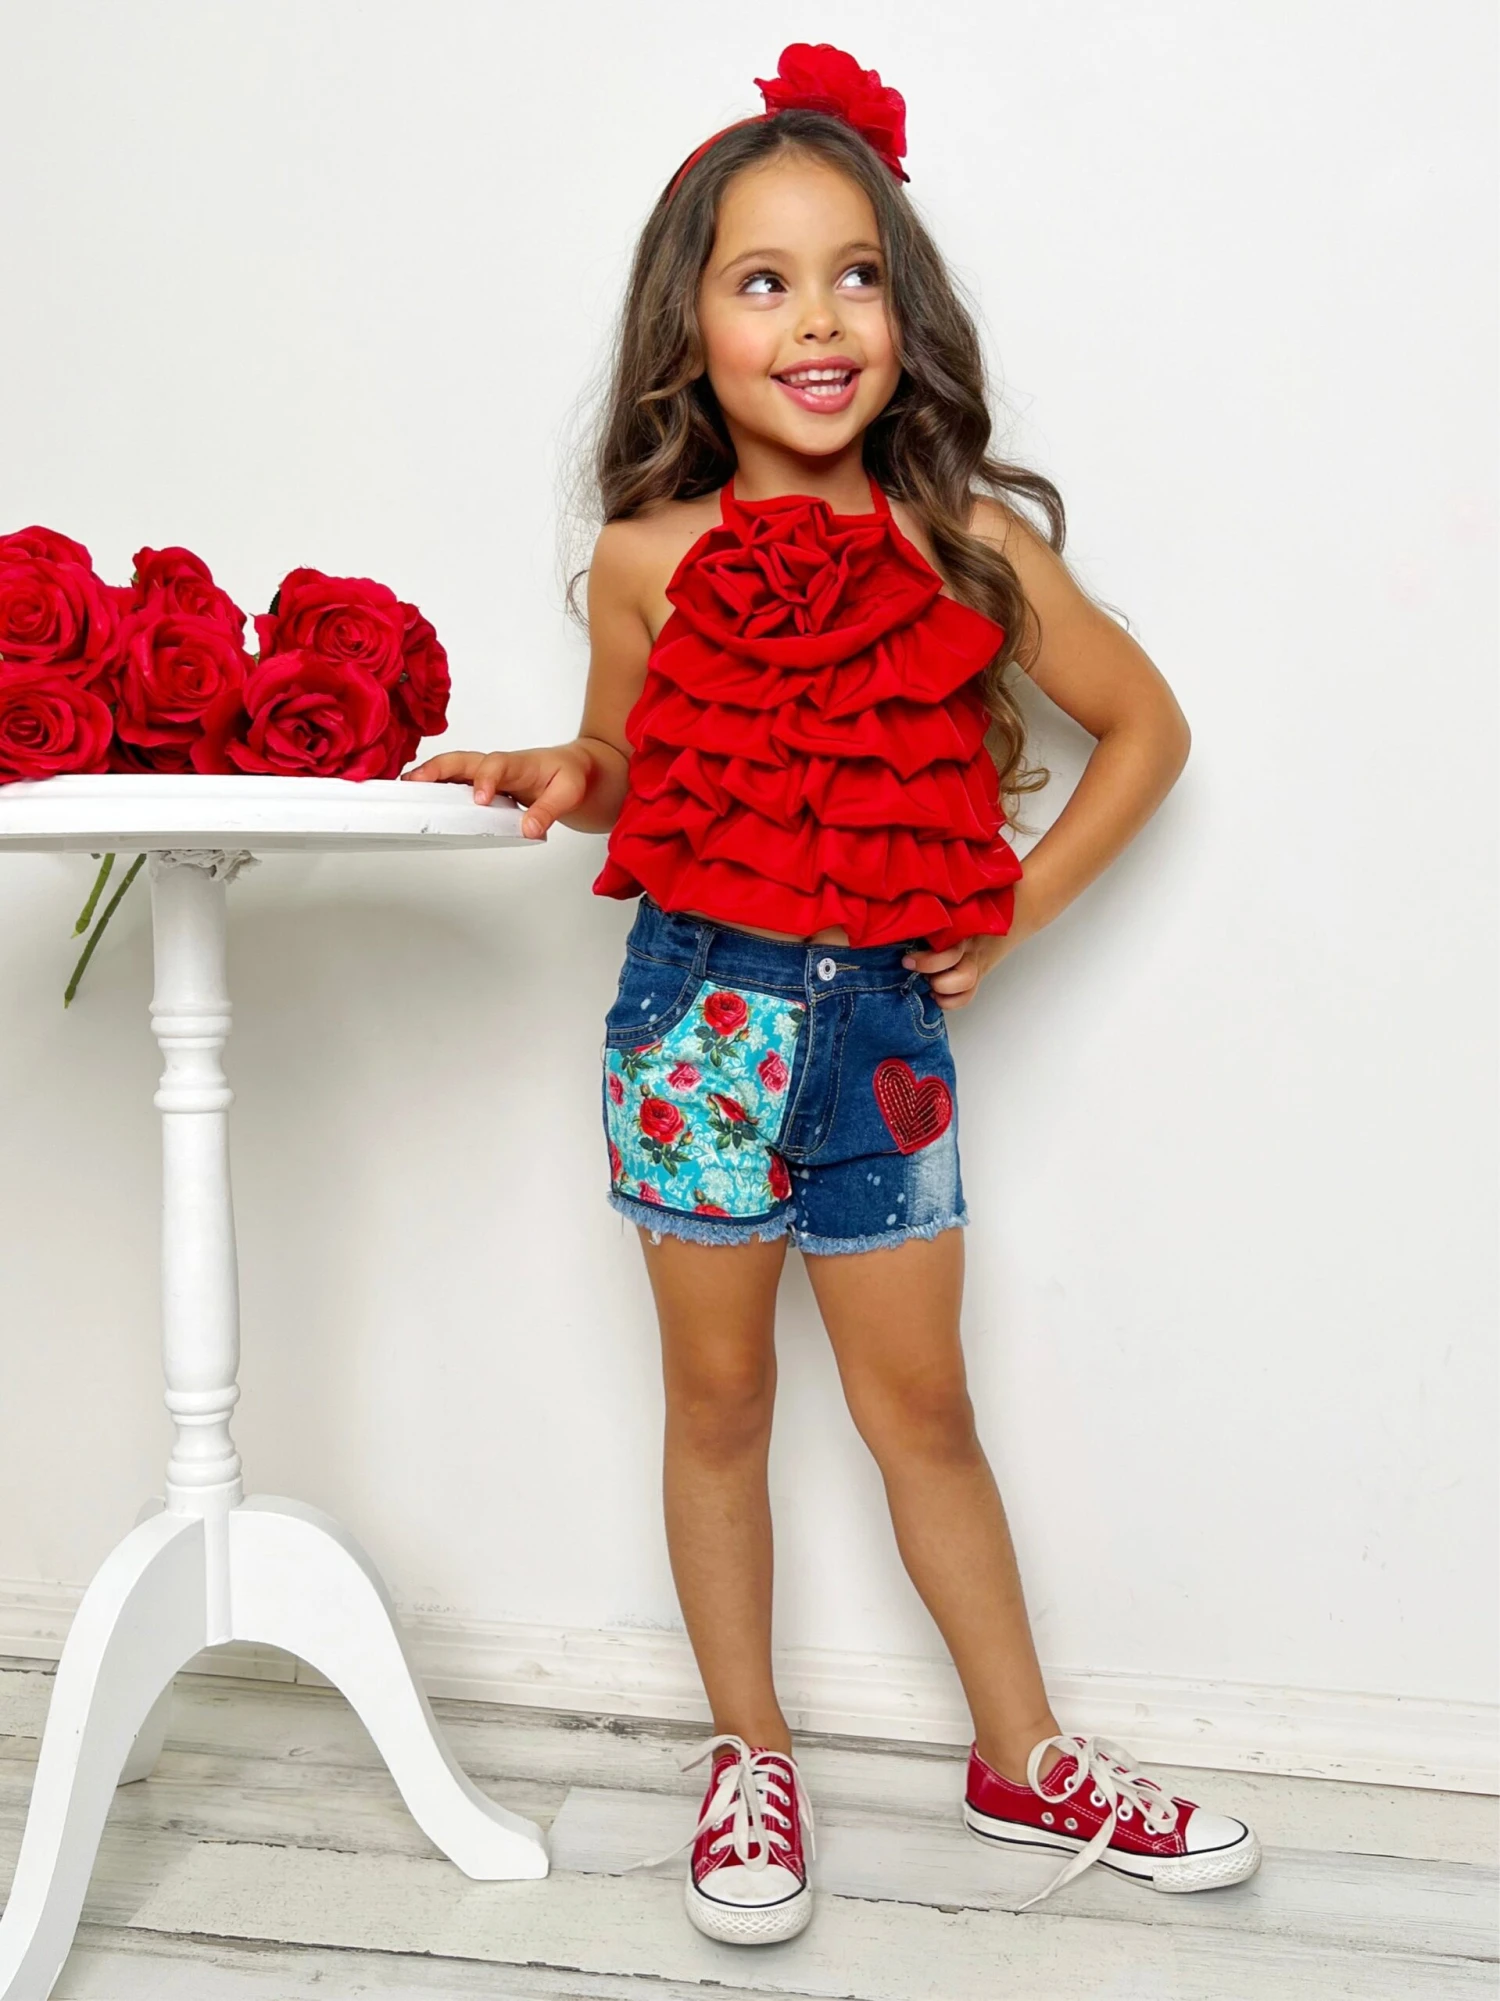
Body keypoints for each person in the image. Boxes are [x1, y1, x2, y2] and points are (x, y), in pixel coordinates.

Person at [407, 40, 1261, 1947]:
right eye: (764, 279)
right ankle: (749, 1751)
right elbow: (632, 766)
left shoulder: (971, 548)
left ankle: (1023, 1756)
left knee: (921, 1408)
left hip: (882, 1040)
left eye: (855, 274)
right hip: (691, 1028)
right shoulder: (642, 557)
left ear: (904, 310)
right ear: (688, 329)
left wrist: (1011, 907)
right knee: (716, 1401)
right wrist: (559, 770)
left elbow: (1148, 728)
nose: (817, 319)